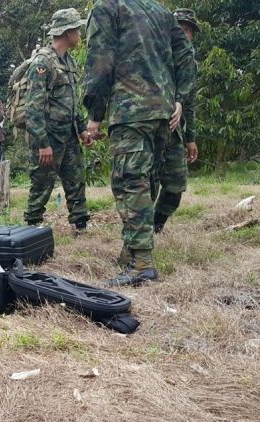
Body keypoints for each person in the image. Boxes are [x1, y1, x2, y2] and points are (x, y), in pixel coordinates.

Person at [83, 0, 195, 286]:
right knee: (147, 181)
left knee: (130, 182)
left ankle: (142, 262)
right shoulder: (161, 11)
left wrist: (95, 114)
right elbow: (186, 57)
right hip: (163, 113)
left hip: (131, 110)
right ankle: (130, 250)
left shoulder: (108, 7)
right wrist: (179, 97)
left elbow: (100, 60)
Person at [22, 9, 93, 235]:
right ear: (67, 32)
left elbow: (71, 101)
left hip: (69, 135)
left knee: (76, 181)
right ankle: (30, 230)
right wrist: (43, 143)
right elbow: (33, 107)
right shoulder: (43, 63)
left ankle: (80, 227)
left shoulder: (68, 60)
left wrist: (82, 130)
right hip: (49, 137)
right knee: (42, 184)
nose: (79, 34)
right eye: (77, 29)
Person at [153, 8, 202, 234]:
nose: (184, 34)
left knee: (175, 183)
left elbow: (189, 104)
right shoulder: (154, 57)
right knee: (147, 183)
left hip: (175, 133)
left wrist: (190, 138)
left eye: (188, 31)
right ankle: (139, 232)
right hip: (151, 127)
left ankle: (157, 223)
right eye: (180, 29)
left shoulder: (191, 65)